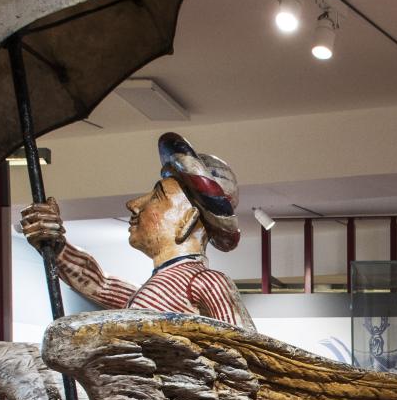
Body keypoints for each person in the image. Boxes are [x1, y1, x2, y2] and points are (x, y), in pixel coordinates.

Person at [19, 132, 256, 330]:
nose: (133, 204)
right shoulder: (159, 289)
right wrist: (54, 243)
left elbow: (249, 352)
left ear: (188, 219)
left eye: (157, 196)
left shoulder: (206, 282)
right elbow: (100, 284)